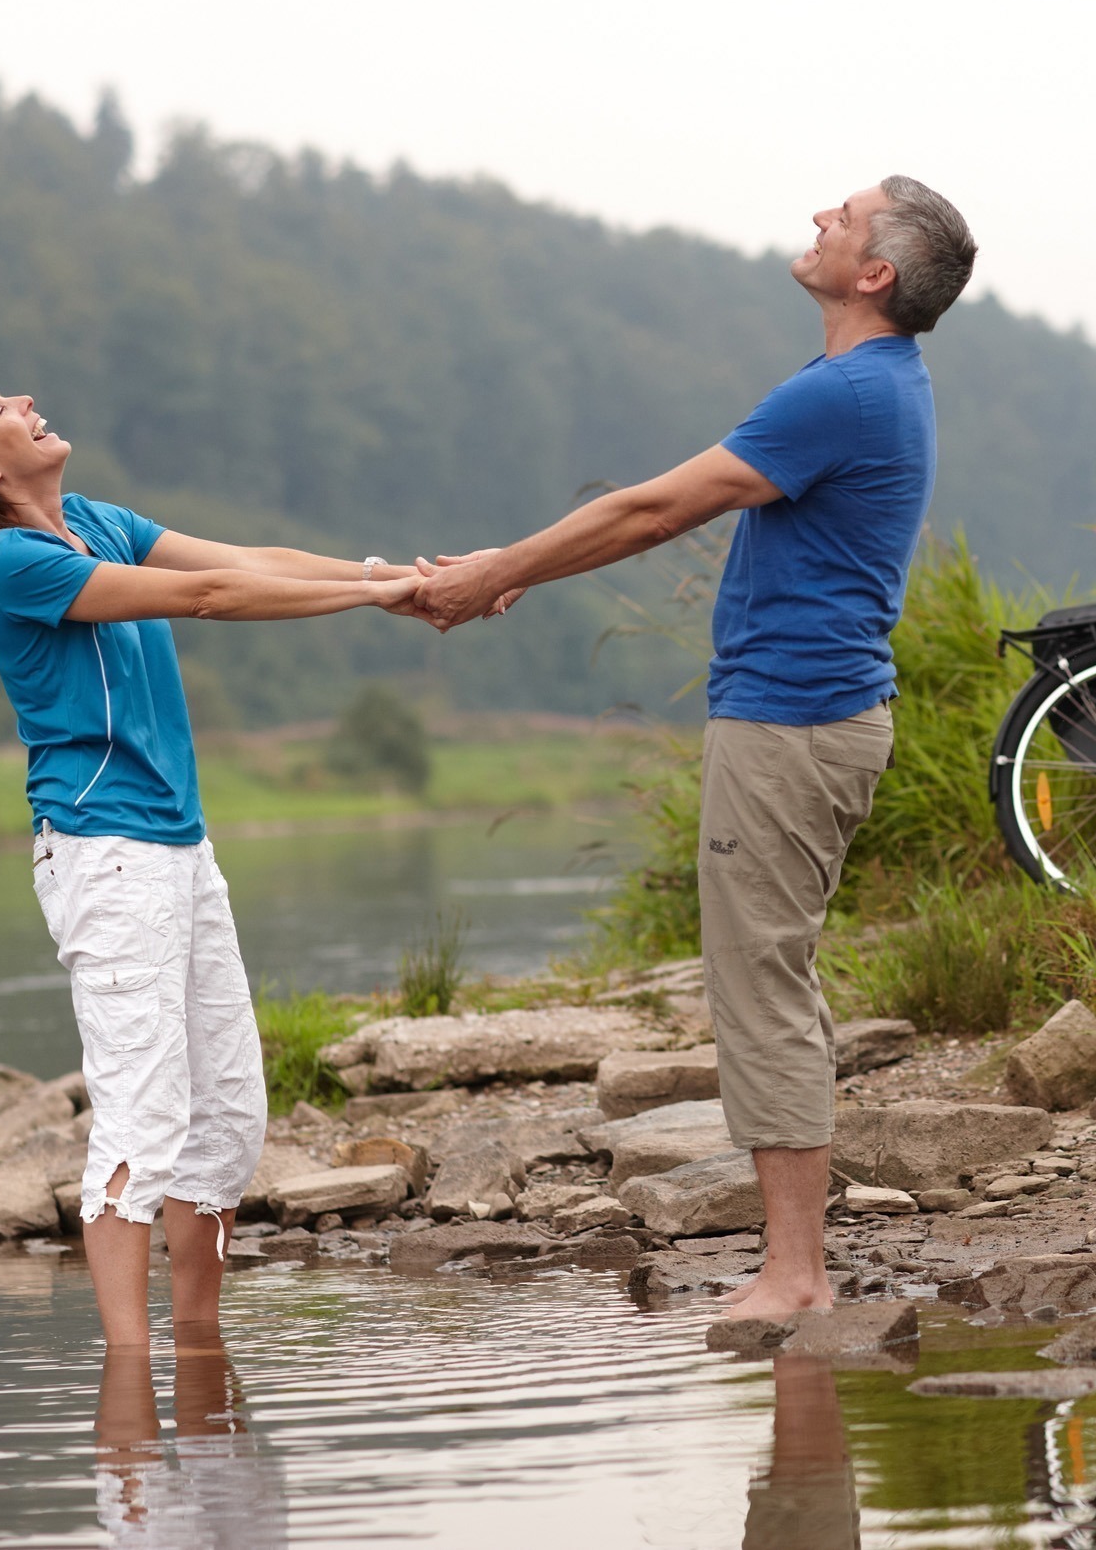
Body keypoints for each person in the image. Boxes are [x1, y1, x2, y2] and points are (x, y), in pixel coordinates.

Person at [411, 177, 976, 1320]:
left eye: (845, 214)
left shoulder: (847, 392)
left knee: (758, 982)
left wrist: (494, 574)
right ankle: (797, 1258)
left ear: (875, 274)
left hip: (791, 723)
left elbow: (654, 509)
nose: (820, 213)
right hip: (810, 717)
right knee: (776, 973)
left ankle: (796, 1273)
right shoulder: (869, 386)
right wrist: (506, 566)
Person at [0, 382, 424, 1352]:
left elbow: (245, 560)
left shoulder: (94, 520)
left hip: (179, 846)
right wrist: (381, 597)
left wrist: (396, 572)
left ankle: (199, 1350)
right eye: (0, 403)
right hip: (105, 853)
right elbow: (209, 597)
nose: (28, 397)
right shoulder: (14, 563)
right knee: (141, 1120)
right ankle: (128, 1398)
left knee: (226, 1119)